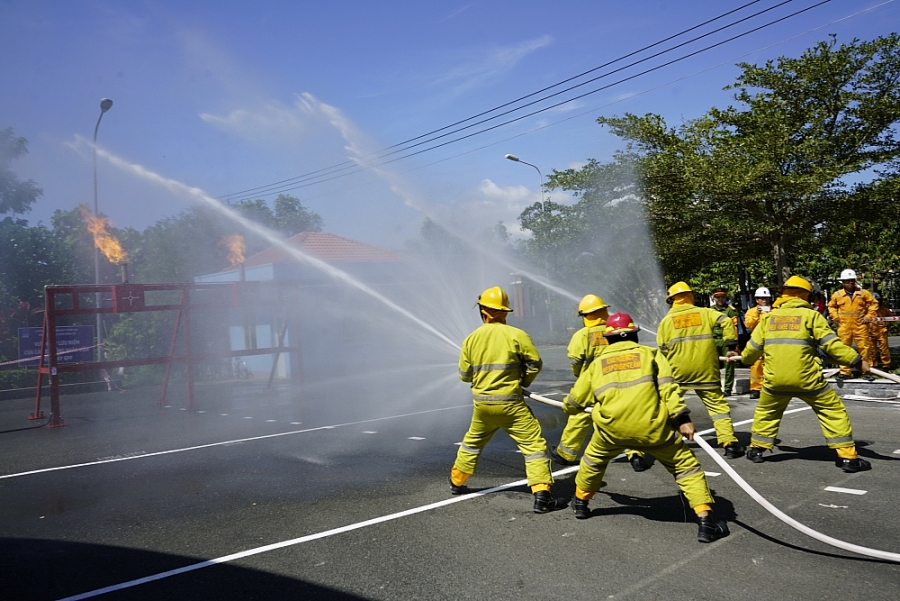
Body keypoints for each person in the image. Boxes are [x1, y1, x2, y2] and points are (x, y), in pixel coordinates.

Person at [563, 313, 730, 543]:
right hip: (655, 430)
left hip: (611, 432)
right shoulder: (651, 355)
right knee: (685, 467)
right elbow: (669, 389)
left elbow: (575, 402)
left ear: (609, 339)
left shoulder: (595, 365)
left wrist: (568, 407)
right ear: (635, 335)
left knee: (593, 461)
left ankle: (581, 503)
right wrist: (682, 419)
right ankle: (706, 522)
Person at [733, 275, 872, 472]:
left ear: (785, 294)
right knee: (832, 411)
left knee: (767, 412)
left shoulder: (769, 318)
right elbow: (831, 345)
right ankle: (848, 458)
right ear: (805, 295)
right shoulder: (812, 317)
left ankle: (757, 449)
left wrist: (745, 360)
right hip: (808, 380)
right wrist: (857, 361)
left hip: (775, 381)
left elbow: (751, 351)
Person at [450, 286, 567, 513]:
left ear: (483, 310)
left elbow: (464, 376)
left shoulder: (471, 338)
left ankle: (457, 481)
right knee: (533, 446)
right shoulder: (518, 335)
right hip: (511, 405)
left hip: (482, 405)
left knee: (472, 443)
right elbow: (535, 364)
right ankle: (543, 496)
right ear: (505, 312)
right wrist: (523, 380)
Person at [549, 294, 650, 472]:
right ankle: (635, 454)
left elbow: (575, 361)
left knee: (579, 417)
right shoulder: (615, 331)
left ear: (585, 316)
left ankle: (565, 454)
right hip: (619, 382)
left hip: (592, 384)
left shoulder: (581, 335)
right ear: (604, 311)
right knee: (624, 416)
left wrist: (580, 375)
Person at [657, 282, 745, 458]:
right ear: (691, 296)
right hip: (706, 370)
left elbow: (662, 349)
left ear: (672, 300)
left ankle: (663, 443)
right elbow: (726, 321)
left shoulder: (666, 322)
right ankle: (729, 443)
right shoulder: (705, 313)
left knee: (668, 406)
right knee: (718, 407)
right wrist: (730, 346)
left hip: (678, 372)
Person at [827, 268, 878, 380]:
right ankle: (845, 372)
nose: (850, 282)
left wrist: (869, 316)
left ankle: (867, 371)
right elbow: (831, 306)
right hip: (844, 325)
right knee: (844, 349)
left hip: (860, 325)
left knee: (865, 348)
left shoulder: (863, 293)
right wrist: (835, 316)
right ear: (843, 282)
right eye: (847, 280)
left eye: (852, 280)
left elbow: (874, 304)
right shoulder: (837, 295)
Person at [742, 287, 772, 399]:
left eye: (766, 298)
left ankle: (769, 387)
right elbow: (748, 325)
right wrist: (756, 314)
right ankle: (755, 388)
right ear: (757, 300)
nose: (764, 301)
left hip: (771, 341)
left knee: (772, 365)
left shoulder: (774, 310)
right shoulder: (751, 312)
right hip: (758, 342)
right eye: (762, 298)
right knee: (756, 366)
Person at [711, 287, 739, 395]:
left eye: (722, 297)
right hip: (713, 340)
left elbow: (735, 327)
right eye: (718, 297)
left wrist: (735, 343)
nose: (720, 299)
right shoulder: (710, 310)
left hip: (726, 341)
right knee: (713, 366)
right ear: (714, 298)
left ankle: (728, 389)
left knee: (729, 365)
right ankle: (716, 387)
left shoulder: (730, 311)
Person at [869, 292, 893, 371]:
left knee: (884, 349)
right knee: (871, 349)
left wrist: (888, 326)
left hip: (881, 331)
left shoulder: (883, 310)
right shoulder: (867, 310)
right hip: (870, 332)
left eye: (878, 301)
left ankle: (886, 365)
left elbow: (892, 318)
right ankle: (873, 364)